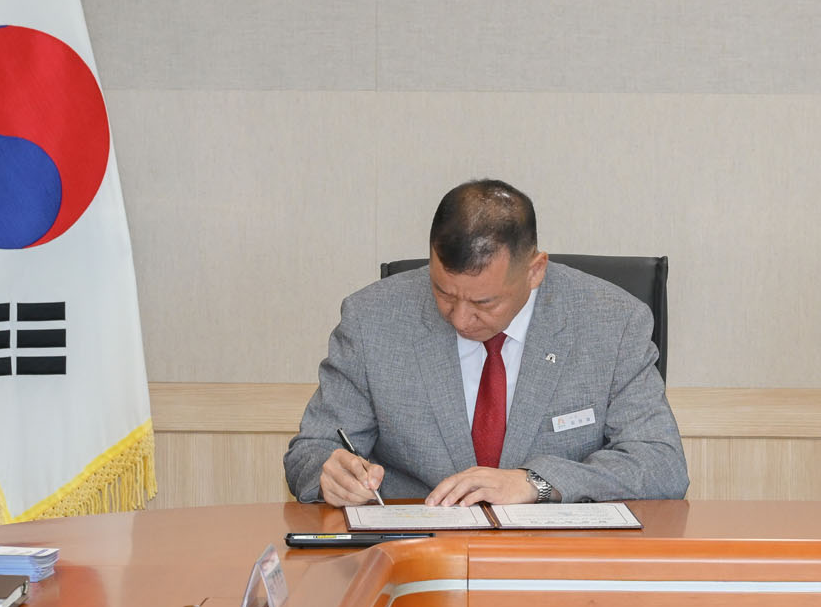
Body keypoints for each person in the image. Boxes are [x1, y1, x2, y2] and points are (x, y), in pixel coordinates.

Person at [285, 179, 689, 507]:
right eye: (444, 293)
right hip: (417, 555)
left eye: (484, 302)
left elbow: (661, 464)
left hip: (558, 560)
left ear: (534, 271)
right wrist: (329, 473)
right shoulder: (372, 319)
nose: (460, 319)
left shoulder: (612, 323)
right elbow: (311, 450)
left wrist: (536, 483)